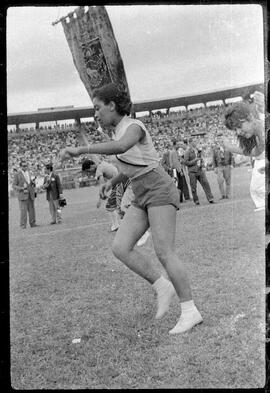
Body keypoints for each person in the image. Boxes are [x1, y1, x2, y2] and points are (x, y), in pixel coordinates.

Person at [59, 82, 203, 334]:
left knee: (164, 251)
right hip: (140, 190)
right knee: (120, 247)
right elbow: (130, 166)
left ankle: (190, 311)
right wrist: (112, 182)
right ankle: (162, 286)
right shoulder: (117, 131)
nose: (96, 114)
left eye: (98, 108)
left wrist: (81, 149)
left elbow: (122, 148)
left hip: (158, 187)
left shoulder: (133, 127)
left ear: (112, 105)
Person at [223, 101, 265, 211]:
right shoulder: (256, 133)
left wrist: (231, 148)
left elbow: (258, 152)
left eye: (239, 126)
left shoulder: (264, 127)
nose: (237, 132)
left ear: (249, 117)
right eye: (235, 129)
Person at [184, 138, 215, 205]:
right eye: (194, 141)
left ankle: (210, 198)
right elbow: (186, 162)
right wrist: (195, 160)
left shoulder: (198, 150)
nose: (195, 142)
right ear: (190, 142)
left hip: (199, 170)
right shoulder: (187, 151)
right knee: (193, 187)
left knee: (206, 184)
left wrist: (202, 162)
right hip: (192, 172)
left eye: (195, 141)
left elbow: (200, 158)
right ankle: (196, 200)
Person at [12, 160, 37, 229]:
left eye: (26, 165)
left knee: (32, 210)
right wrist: (22, 188)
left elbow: (30, 183)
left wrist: (33, 183)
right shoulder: (17, 174)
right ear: (20, 167)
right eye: (24, 166)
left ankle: (33, 223)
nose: (25, 167)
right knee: (23, 212)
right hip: (23, 195)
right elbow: (14, 185)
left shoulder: (29, 172)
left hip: (30, 194)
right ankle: (23, 225)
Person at [212, 133, 234, 199]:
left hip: (227, 165)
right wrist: (215, 167)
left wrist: (232, 164)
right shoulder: (215, 148)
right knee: (220, 181)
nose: (220, 139)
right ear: (217, 139)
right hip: (219, 166)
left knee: (228, 181)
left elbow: (231, 156)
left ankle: (228, 195)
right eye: (218, 138)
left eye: (221, 138)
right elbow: (213, 158)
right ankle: (223, 195)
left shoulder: (228, 146)